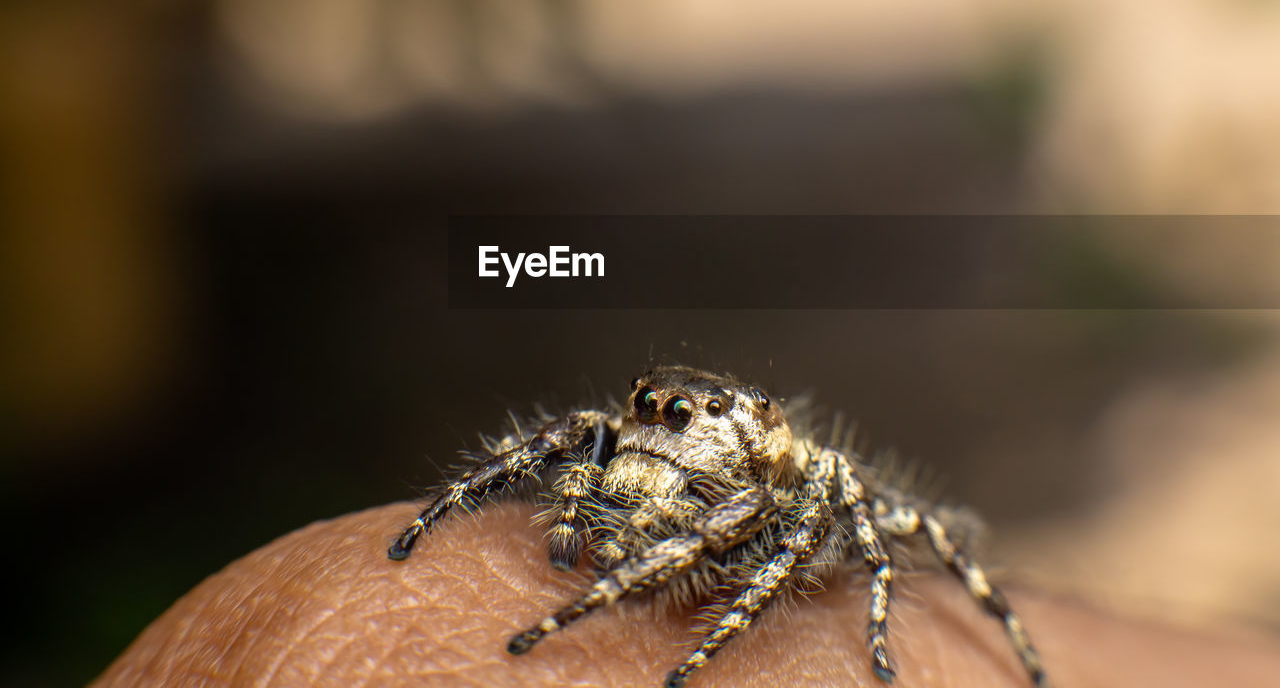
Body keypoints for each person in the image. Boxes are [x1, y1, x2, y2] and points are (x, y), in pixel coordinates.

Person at [95, 502, 1280, 687]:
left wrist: (576, 628)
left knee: (892, 537)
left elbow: (769, 543)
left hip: (823, 526)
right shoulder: (643, 448)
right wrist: (442, 522)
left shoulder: (777, 490)